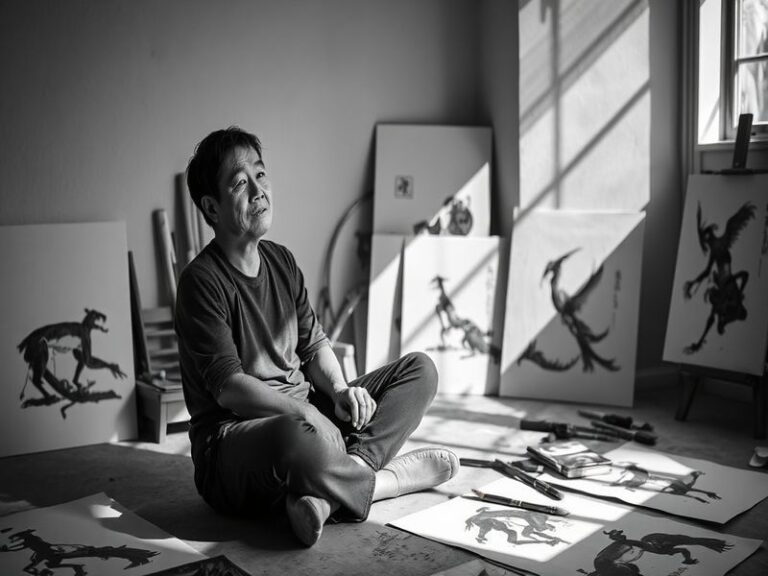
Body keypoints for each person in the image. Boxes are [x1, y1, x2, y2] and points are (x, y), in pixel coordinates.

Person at [175, 126, 459, 546]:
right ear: (211, 208)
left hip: (308, 421)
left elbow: (314, 346)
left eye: (261, 174)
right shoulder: (202, 281)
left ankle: (325, 493)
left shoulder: (282, 261)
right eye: (240, 183)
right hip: (239, 444)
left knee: (421, 370)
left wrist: (342, 390)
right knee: (295, 437)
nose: (258, 190)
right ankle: (385, 483)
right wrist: (305, 414)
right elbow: (229, 390)